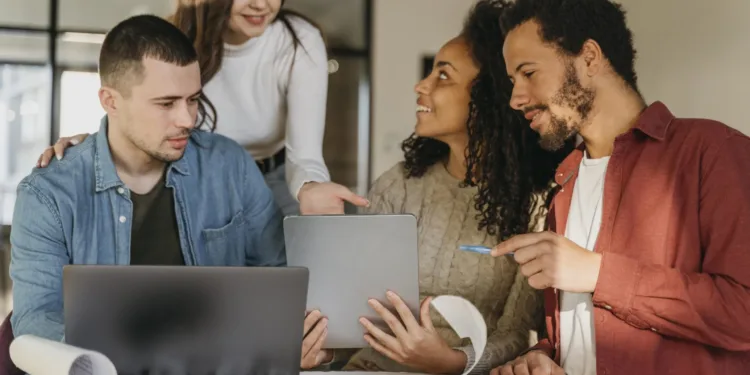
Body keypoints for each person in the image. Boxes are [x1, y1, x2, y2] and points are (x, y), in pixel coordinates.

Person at [9, 15, 327, 369]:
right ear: (110, 101)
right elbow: (35, 322)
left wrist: (290, 341)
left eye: (192, 100)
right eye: (166, 104)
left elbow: (277, 280)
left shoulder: (231, 167)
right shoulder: (47, 194)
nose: (188, 119)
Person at [491, 1, 750, 375]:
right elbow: (586, 327)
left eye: (528, 72)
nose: (516, 98)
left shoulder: (714, 151)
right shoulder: (565, 188)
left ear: (590, 58)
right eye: (513, 81)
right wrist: (545, 356)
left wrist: (598, 273)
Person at [318, 1, 569, 374]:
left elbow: (518, 333)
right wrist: (322, 352)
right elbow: (356, 314)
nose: (422, 86)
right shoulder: (398, 185)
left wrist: (452, 362)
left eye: (444, 76)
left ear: (490, 97)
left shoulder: (539, 203)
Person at [36, 0, 368, 217]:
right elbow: (137, 106)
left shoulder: (298, 41)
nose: (261, 4)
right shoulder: (174, 37)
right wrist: (97, 144)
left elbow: (304, 155)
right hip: (201, 175)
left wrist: (310, 188)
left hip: (276, 177)